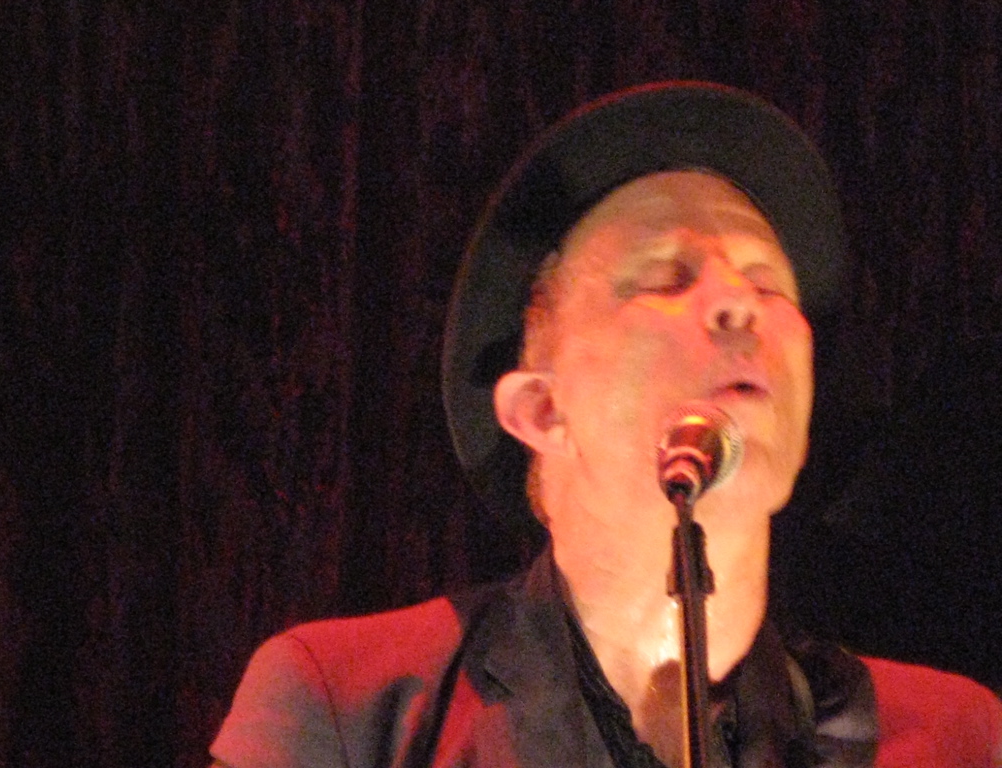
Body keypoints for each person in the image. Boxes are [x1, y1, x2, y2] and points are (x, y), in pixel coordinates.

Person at [209, 82, 1002, 768]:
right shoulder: (351, 707)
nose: (740, 303)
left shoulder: (957, 738)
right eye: (664, 277)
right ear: (542, 409)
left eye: (768, 282)